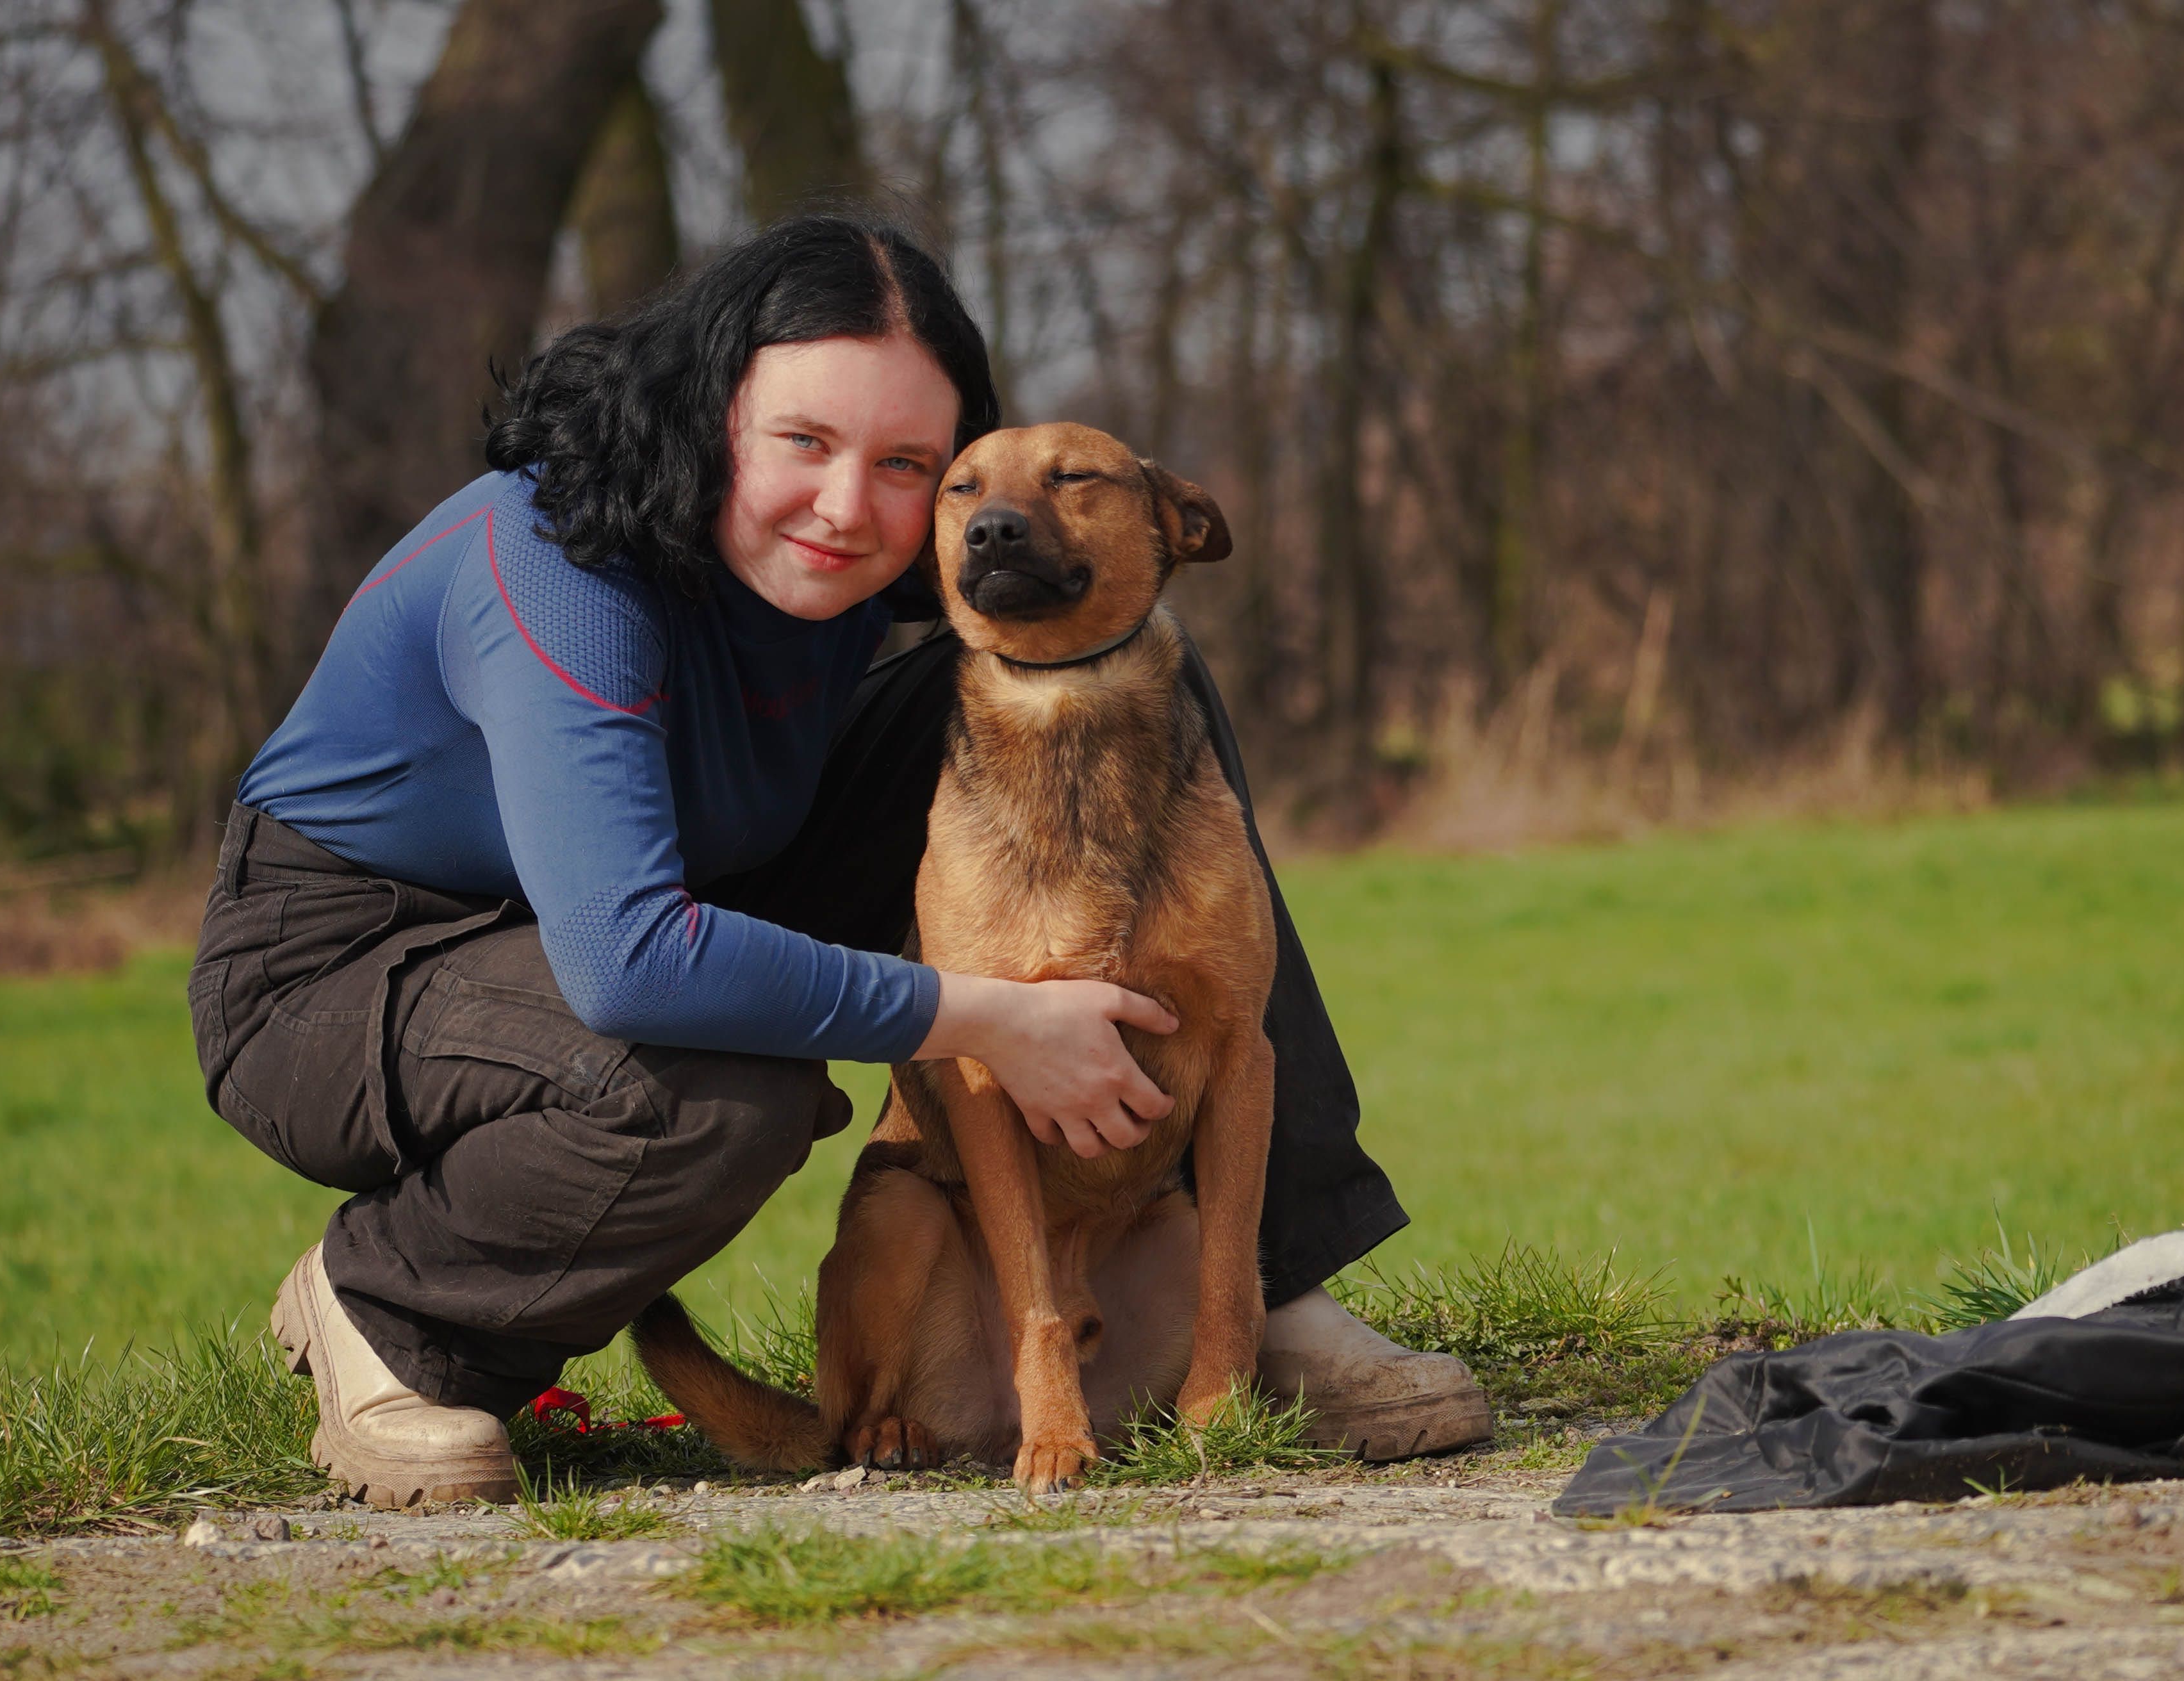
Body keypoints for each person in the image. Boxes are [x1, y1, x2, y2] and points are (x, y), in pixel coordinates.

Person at [191, 213, 1490, 1507]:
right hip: (356, 960)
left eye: (906, 463)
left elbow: (1072, 557)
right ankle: (395, 1314)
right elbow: (628, 958)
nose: (846, 504)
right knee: (717, 1091)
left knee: (1121, 668)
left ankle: (1274, 1290)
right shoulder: (552, 557)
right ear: (714, 413)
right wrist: (982, 1016)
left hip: (700, 870)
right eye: (803, 441)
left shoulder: (869, 545)